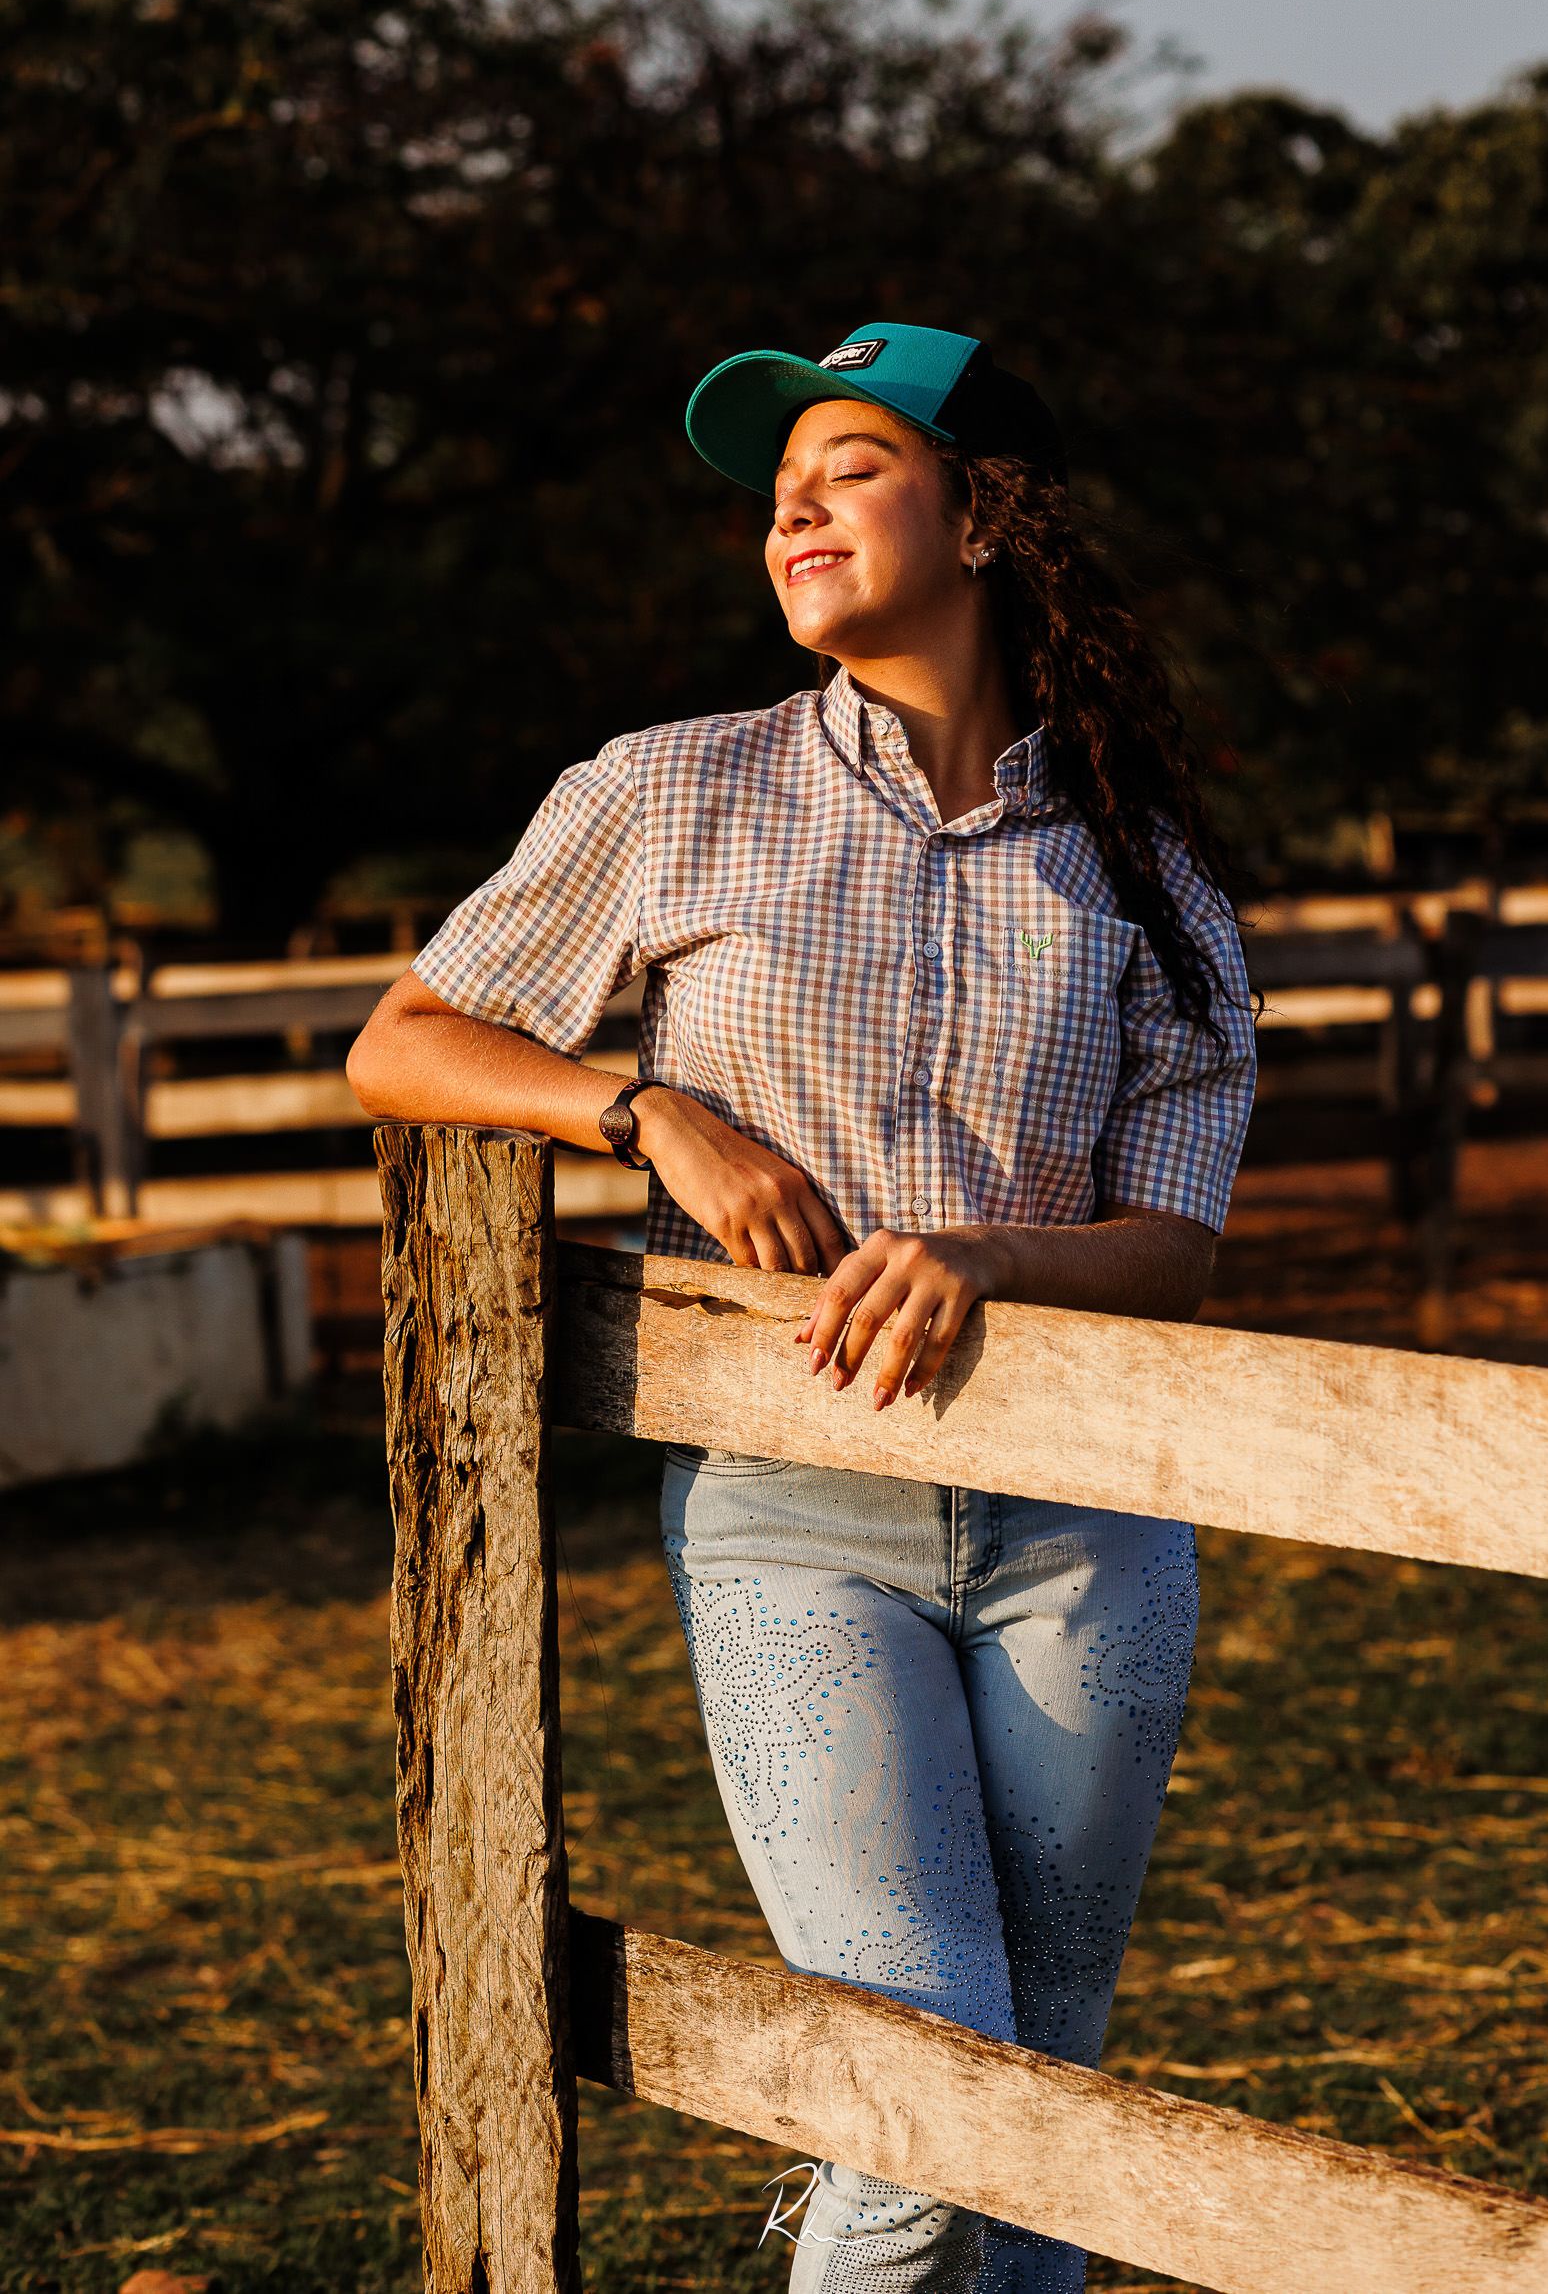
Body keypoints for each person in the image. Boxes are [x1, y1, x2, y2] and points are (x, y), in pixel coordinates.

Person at [347, 320, 1258, 2292]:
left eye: (848, 460)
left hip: (1085, 1540)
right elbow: (407, 1039)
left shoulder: (1142, 873)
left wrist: (991, 1254)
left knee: (1045, 2118)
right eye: (778, 477)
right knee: (913, 2117)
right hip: (791, 1519)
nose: (789, 502)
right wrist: (642, 1103)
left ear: (989, 510)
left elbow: (1170, 1241)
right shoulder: (668, 796)